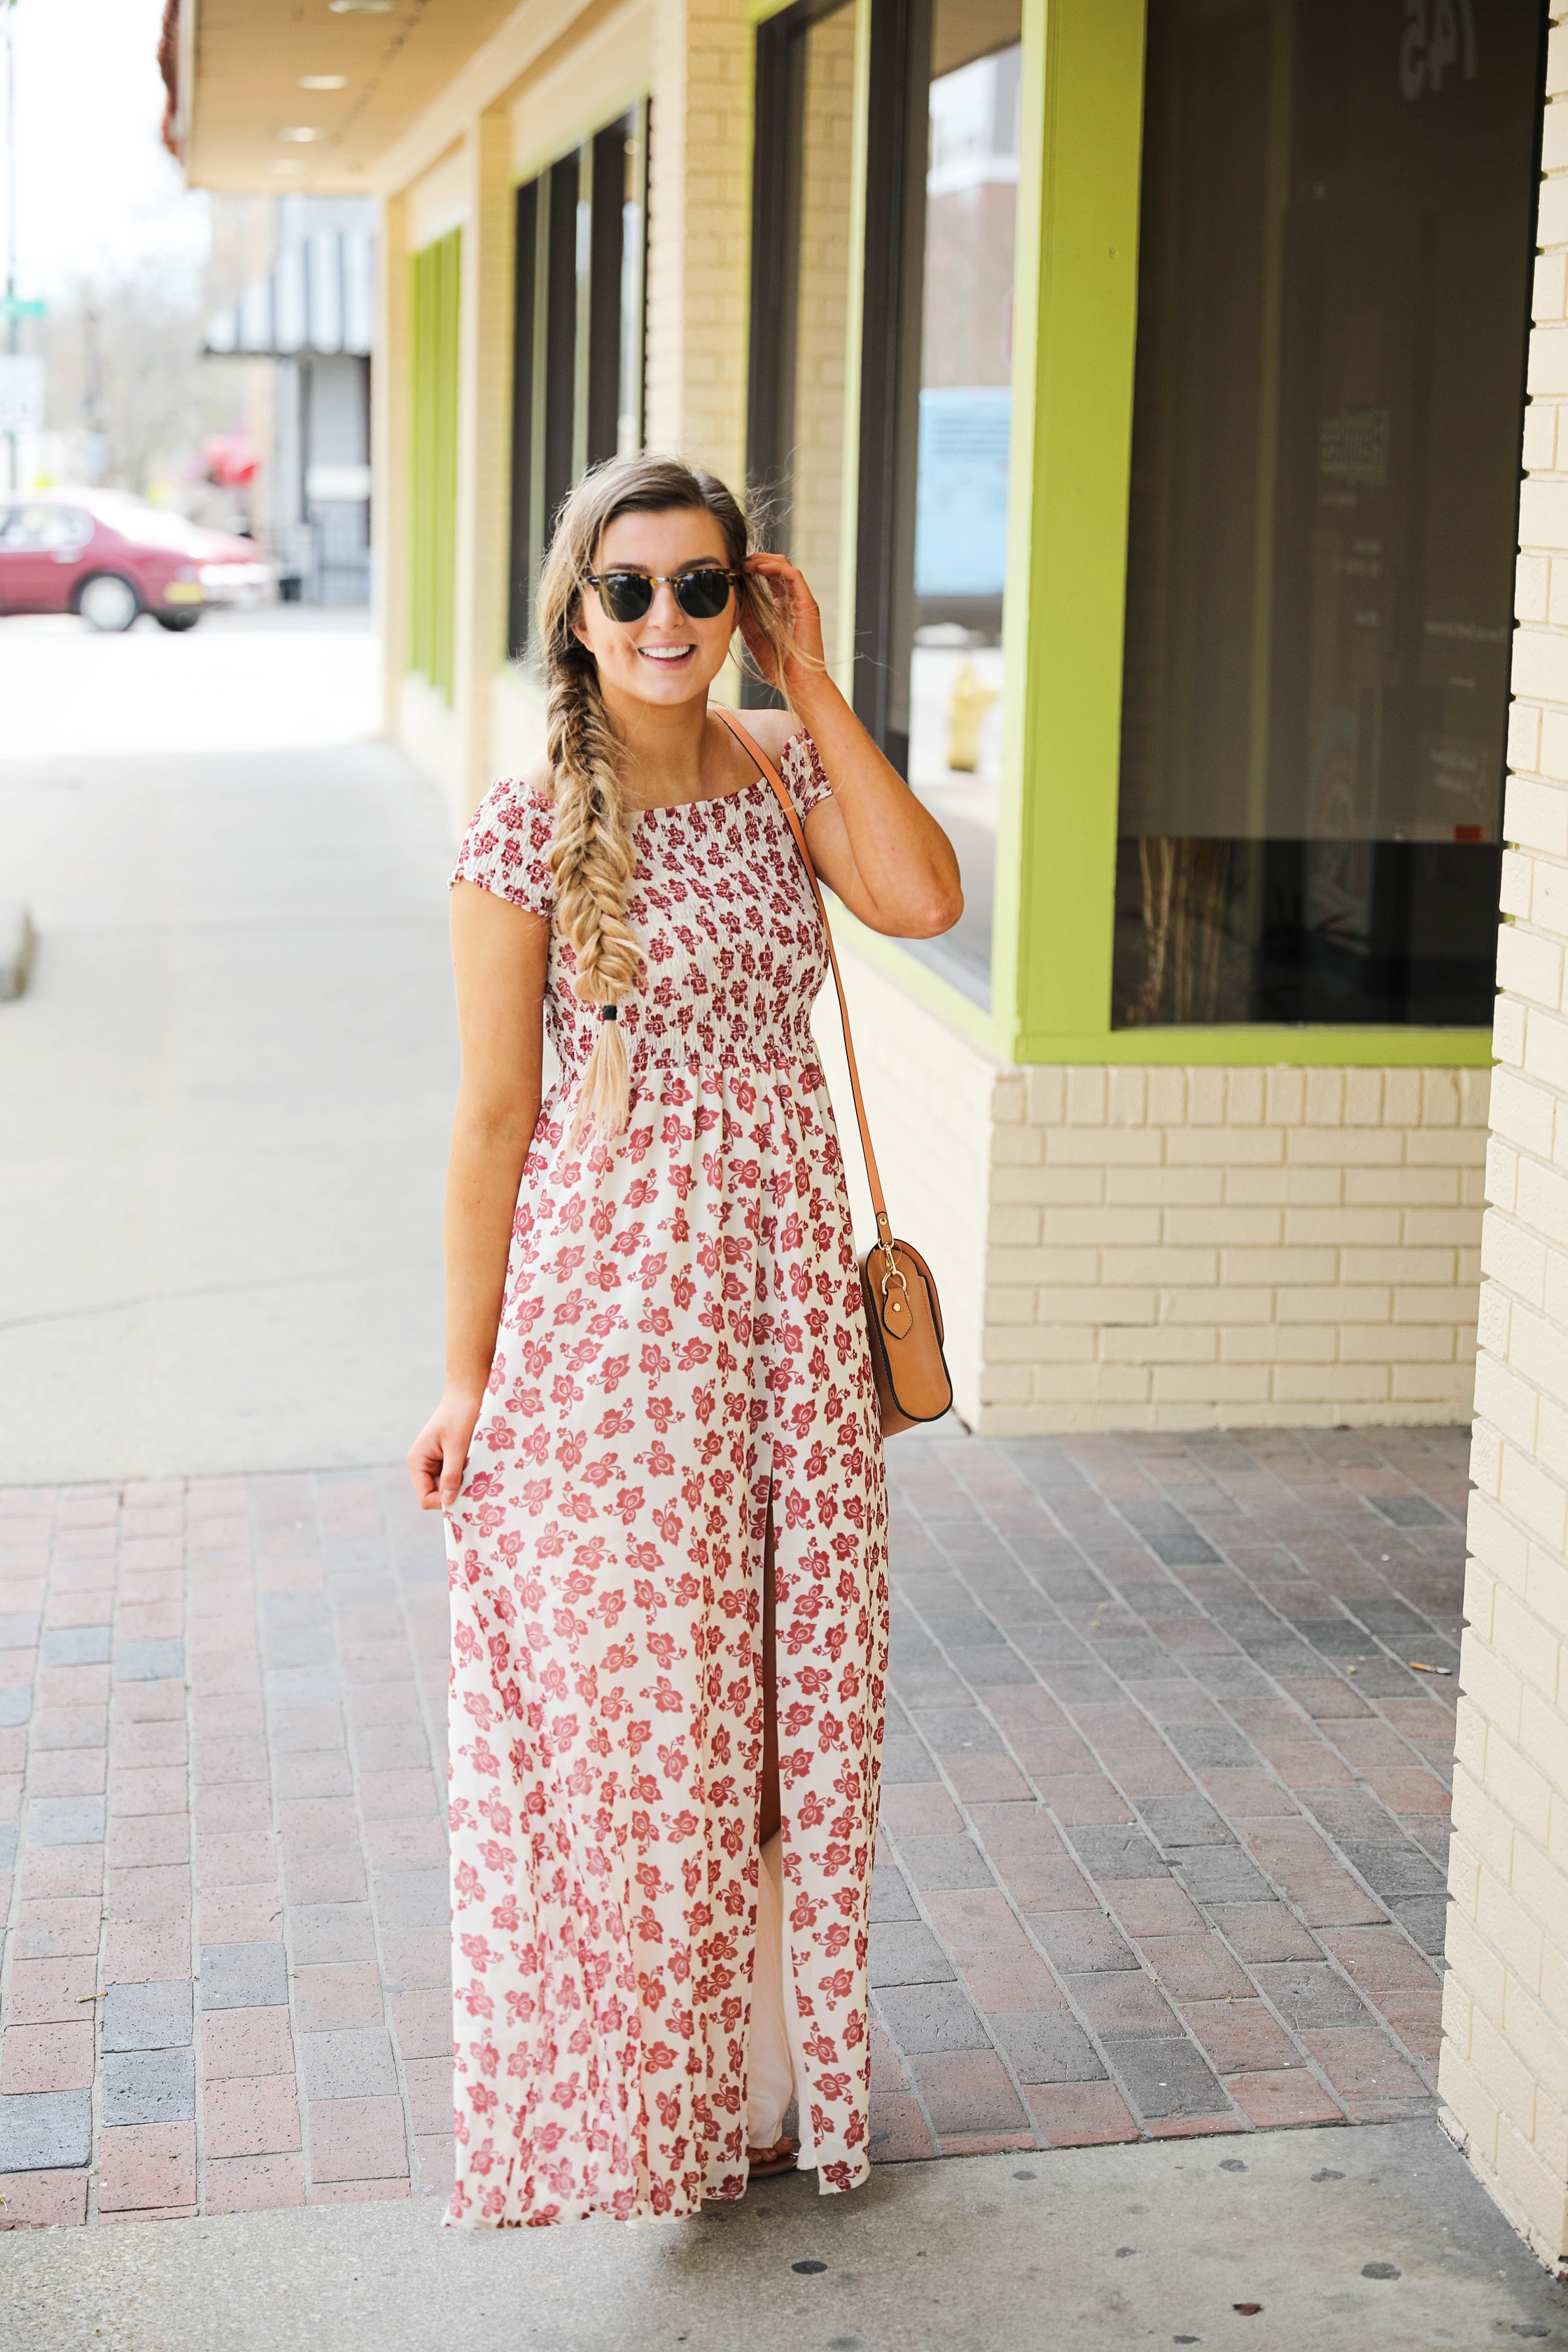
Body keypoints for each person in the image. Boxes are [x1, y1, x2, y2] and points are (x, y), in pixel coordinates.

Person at [407, 452, 962, 2227]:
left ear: (747, 595)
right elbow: (492, 1122)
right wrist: (465, 1375)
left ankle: (766, 2085)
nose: (666, 620)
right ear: (575, 611)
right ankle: (647, 2095)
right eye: (630, 589)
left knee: (796, 1700)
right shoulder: (517, 828)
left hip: (788, 1320)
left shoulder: (776, 763)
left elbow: (923, 899)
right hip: (615, 1343)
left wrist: (810, 679)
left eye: (701, 587)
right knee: (648, 1714)